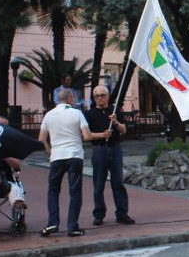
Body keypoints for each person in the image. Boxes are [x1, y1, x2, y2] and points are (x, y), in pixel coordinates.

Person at [39, 88, 94, 237]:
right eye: (74, 98)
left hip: (57, 157)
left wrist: (51, 154)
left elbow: (41, 139)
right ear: (70, 98)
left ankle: (52, 223)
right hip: (74, 155)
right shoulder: (77, 113)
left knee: (53, 190)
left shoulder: (49, 115)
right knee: (75, 192)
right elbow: (87, 136)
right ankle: (72, 227)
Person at [86, 85, 135, 226]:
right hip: (99, 150)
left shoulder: (115, 111)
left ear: (108, 96)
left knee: (118, 182)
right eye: (97, 96)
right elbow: (86, 136)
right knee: (98, 184)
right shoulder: (89, 114)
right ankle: (99, 214)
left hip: (115, 149)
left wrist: (115, 122)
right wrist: (102, 135)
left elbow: (124, 130)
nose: (100, 98)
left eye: (102, 95)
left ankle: (122, 213)